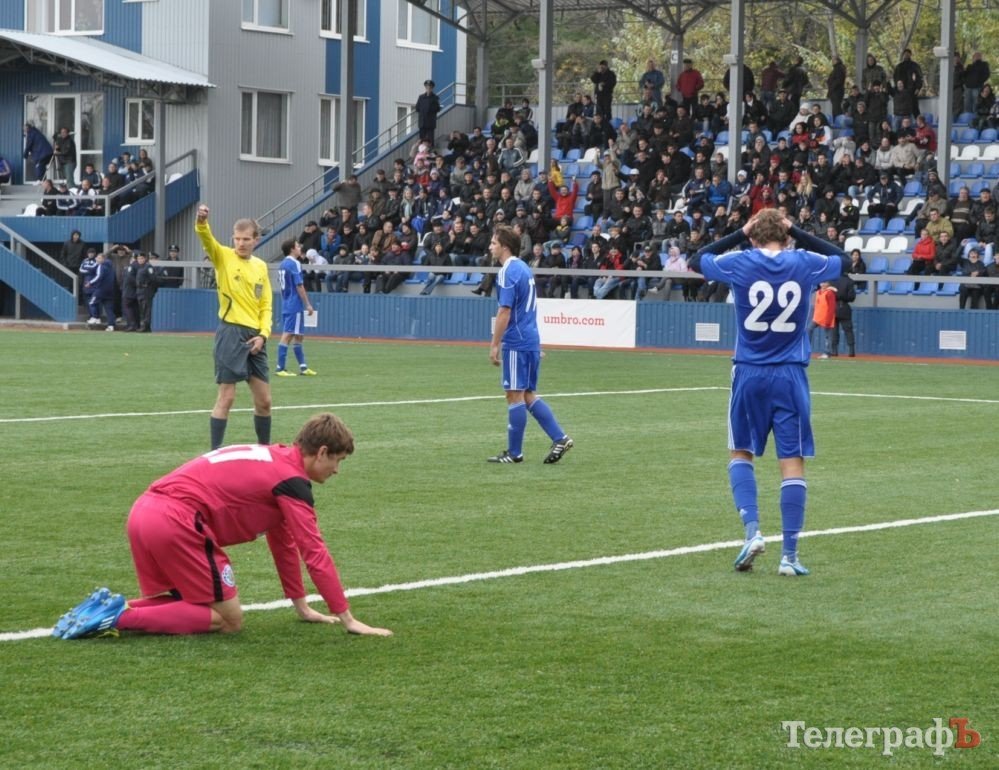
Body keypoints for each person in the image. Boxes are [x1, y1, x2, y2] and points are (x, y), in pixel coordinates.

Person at [52, 413, 392, 640]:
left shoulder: (274, 458)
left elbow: (284, 541)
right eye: (338, 460)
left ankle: (106, 608)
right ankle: (119, 618)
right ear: (321, 452)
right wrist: (348, 619)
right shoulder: (291, 481)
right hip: (176, 521)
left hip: (144, 512)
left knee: (190, 604)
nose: (337, 470)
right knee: (228, 620)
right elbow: (314, 552)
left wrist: (302, 607)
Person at [687, 209, 846, 576]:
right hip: (790, 374)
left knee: (741, 450)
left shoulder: (739, 262)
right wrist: (798, 231)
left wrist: (739, 233)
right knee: (792, 461)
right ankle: (789, 556)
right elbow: (843, 259)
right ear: (786, 235)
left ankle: (752, 531)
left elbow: (697, 259)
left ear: (753, 236)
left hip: (749, 371)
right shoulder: (803, 261)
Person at [486, 225, 573, 465]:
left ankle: (515, 453)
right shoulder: (524, 268)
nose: (490, 247)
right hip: (530, 339)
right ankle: (560, 438)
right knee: (526, 394)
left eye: (493, 243)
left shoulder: (507, 271)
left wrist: (494, 344)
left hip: (517, 341)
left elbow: (505, 311)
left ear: (504, 246)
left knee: (514, 395)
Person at [195, 204, 274, 450]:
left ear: (256, 240)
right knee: (227, 397)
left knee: (264, 401)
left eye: (246, 239)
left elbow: (266, 305)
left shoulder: (261, 266)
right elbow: (206, 238)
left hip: (256, 337)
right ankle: (214, 454)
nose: (240, 243)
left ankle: (264, 451)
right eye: (237, 238)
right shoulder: (223, 257)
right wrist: (201, 221)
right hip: (231, 333)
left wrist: (263, 335)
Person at [276, 238, 317, 377]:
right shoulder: (295, 263)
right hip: (294, 303)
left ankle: (303, 367)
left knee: (299, 335)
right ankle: (280, 368)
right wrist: (308, 304)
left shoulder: (282, 264)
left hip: (286, 302)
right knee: (288, 334)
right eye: (298, 246)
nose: (300, 248)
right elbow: (299, 285)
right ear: (292, 249)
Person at [829, 272, 856, 357]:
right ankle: (851, 351)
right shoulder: (849, 281)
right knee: (848, 330)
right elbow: (852, 297)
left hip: (833, 307)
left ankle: (834, 350)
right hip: (844, 306)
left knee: (834, 331)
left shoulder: (831, 280)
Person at [135, 252, 159, 333]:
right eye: (138, 259)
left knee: (146, 309)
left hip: (146, 291)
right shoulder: (140, 268)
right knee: (142, 310)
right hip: (140, 291)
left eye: (141, 258)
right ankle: (146, 326)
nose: (140, 260)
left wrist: (148, 286)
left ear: (145, 259)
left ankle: (145, 326)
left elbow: (154, 279)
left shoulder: (148, 267)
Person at [416, 79, 441, 144]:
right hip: (422, 122)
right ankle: (421, 150)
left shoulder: (435, 97)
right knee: (422, 140)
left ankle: (430, 150)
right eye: (427, 87)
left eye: (430, 87)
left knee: (430, 140)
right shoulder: (421, 97)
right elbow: (417, 108)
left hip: (430, 123)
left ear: (432, 88)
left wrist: (430, 109)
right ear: (425, 88)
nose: (428, 89)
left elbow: (438, 109)